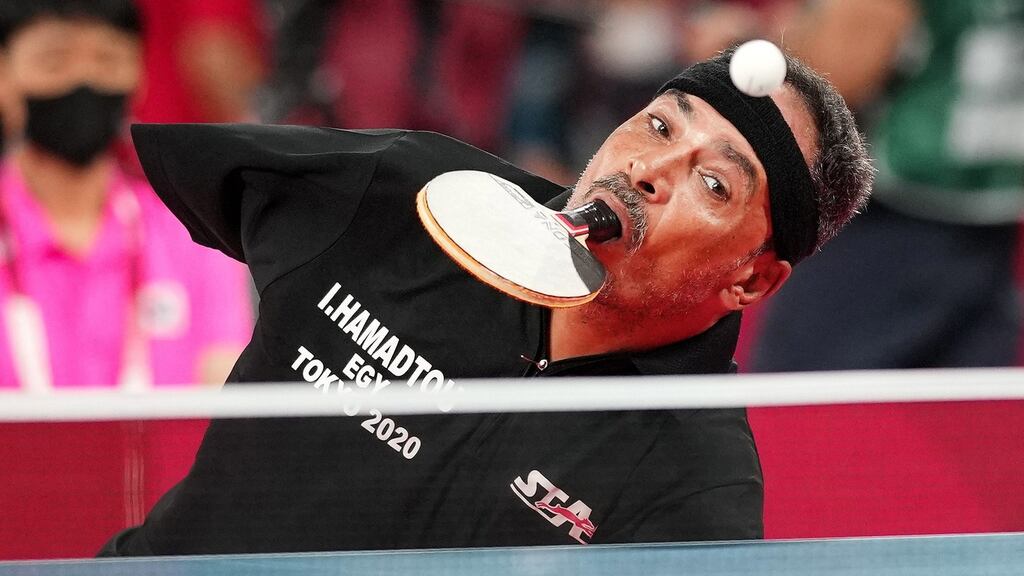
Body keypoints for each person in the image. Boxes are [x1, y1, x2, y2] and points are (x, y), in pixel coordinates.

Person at [100, 47, 872, 554]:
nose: (648, 169)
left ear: (753, 281)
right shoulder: (412, 197)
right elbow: (166, 185)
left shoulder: (691, 480)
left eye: (713, 183)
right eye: (659, 125)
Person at [750, 0, 1024, 371]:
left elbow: (829, 81)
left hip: (886, 224)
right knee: (962, 418)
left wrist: (753, 46)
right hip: (988, 216)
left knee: (799, 412)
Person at [0, 0, 253, 388]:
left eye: (108, 60)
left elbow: (225, 410)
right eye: (53, 60)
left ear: (140, 75)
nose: (83, 80)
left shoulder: (198, 237)